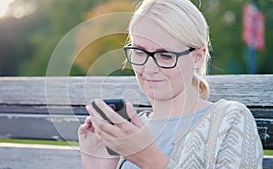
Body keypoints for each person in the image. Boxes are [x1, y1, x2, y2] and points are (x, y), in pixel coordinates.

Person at [78, 0, 263, 168]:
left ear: (198, 57)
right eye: (140, 52)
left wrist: (148, 158)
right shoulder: (127, 131)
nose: (148, 69)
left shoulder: (229, 120)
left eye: (165, 55)